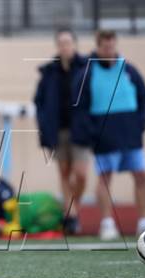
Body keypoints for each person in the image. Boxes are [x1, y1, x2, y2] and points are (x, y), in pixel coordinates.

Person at [73, 30, 145, 240]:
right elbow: (80, 107)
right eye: (105, 46)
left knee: (141, 176)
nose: (109, 49)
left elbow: (143, 97)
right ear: (98, 46)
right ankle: (107, 223)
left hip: (131, 135)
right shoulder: (88, 73)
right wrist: (92, 133)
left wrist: (139, 125)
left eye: (112, 45)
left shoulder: (129, 70)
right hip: (104, 136)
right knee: (105, 178)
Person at [34, 27, 89, 235]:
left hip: (81, 130)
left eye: (68, 42)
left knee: (81, 174)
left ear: (74, 44)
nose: (65, 46)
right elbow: (40, 102)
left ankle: (73, 208)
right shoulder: (49, 72)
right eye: (61, 43)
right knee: (65, 173)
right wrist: (45, 128)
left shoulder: (85, 68)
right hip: (59, 131)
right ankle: (72, 216)